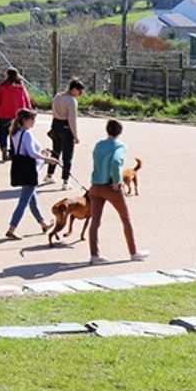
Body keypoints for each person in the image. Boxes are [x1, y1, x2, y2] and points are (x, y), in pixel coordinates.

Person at [87, 119, 149, 265]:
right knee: (125, 219)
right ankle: (133, 252)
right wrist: (117, 180)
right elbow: (116, 162)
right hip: (111, 188)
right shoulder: (120, 146)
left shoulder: (99, 145)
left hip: (95, 186)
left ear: (107, 130)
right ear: (120, 132)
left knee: (95, 221)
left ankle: (94, 255)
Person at [5, 109, 58, 240]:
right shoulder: (27, 133)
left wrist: (42, 152)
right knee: (24, 201)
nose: (34, 122)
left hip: (19, 167)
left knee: (32, 199)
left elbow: (27, 150)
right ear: (25, 120)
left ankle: (43, 223)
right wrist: (48, 159)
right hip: (29, 169)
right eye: (32, 119)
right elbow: (31, 153)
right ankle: (12, 228)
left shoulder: (15, 132)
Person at [47, 79, 84, 184]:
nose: (80, 94)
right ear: (74, 89)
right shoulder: (72, 101)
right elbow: (72, 120)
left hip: (55, 124)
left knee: (55, 151)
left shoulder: (57, 96)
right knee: (67, 155)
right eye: (79, 91)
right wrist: (76, 136)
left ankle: (49, 174)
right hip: (66, 127)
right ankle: (65, 181)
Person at [0, 68, 32, 159]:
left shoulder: (2, 86)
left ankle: (4, 148)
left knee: (3, 133)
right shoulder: (21, 87)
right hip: (18, 115)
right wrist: (29, 111)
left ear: (7, 75)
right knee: (15, 133)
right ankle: (13, 151)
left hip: (3, 114)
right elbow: (27, 100)